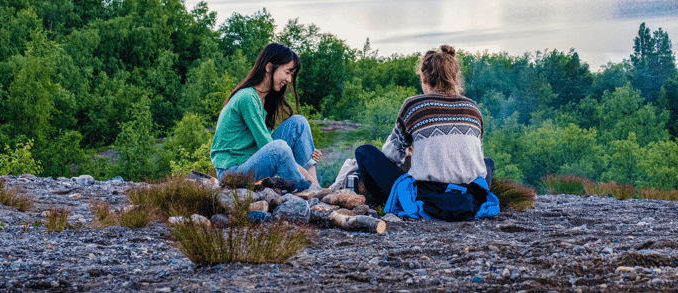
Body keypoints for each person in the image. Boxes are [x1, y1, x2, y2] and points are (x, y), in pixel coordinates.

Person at [355, 45, 496, 220]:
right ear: (455, 78)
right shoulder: (473, 108)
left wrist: (411, 152)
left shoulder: (414, 106)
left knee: (364, 152)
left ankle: (375, 204)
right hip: (471, 199)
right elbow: (476, 160)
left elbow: (391, 156)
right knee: (488, 162)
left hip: (428, 200)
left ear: (424, 78)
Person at [210, 42, 321, 189]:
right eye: (287, 73)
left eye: (291, 75)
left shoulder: (263, 99)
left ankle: (316, 187)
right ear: (269, 67)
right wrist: (301, 172)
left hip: (250, 162)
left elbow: (267, 145)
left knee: (298, 123)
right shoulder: (247, 97)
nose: (288, 80)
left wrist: (307, 154)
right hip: (232, 173)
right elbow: (268, 146)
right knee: (279, 148)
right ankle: (304, 188)